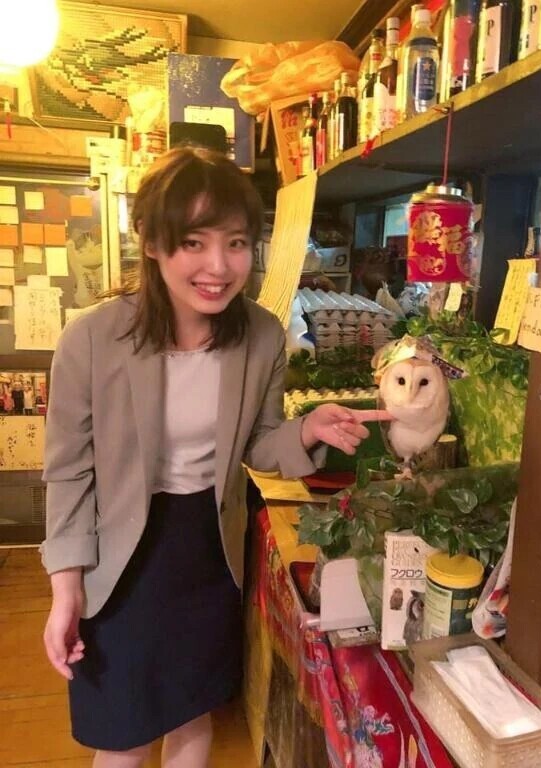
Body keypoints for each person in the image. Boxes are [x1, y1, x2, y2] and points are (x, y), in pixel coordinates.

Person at [41, 146, 391, 768]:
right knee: (123, 733)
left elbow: (258, 443)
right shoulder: (91, 339)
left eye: (235, 243)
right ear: (152, 242)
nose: (219, 266)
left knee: (191, 711)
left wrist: (307, 429)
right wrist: (65, 588)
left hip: (208, 547)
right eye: (194, 243)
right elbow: (69, 471)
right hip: (117, 555)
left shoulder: (260, 335)